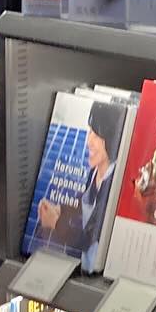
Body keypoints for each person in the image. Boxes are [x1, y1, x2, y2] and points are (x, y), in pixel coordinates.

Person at [35, 100, 124, 272]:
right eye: (89, 132)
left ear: (111, 138)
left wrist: (55, 222)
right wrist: (62, 208)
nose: (88, 141)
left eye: (96, 135)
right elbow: (86, 201)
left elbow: (86, 239)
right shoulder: (94, 172)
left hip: (96, 269)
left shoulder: (114, 184)